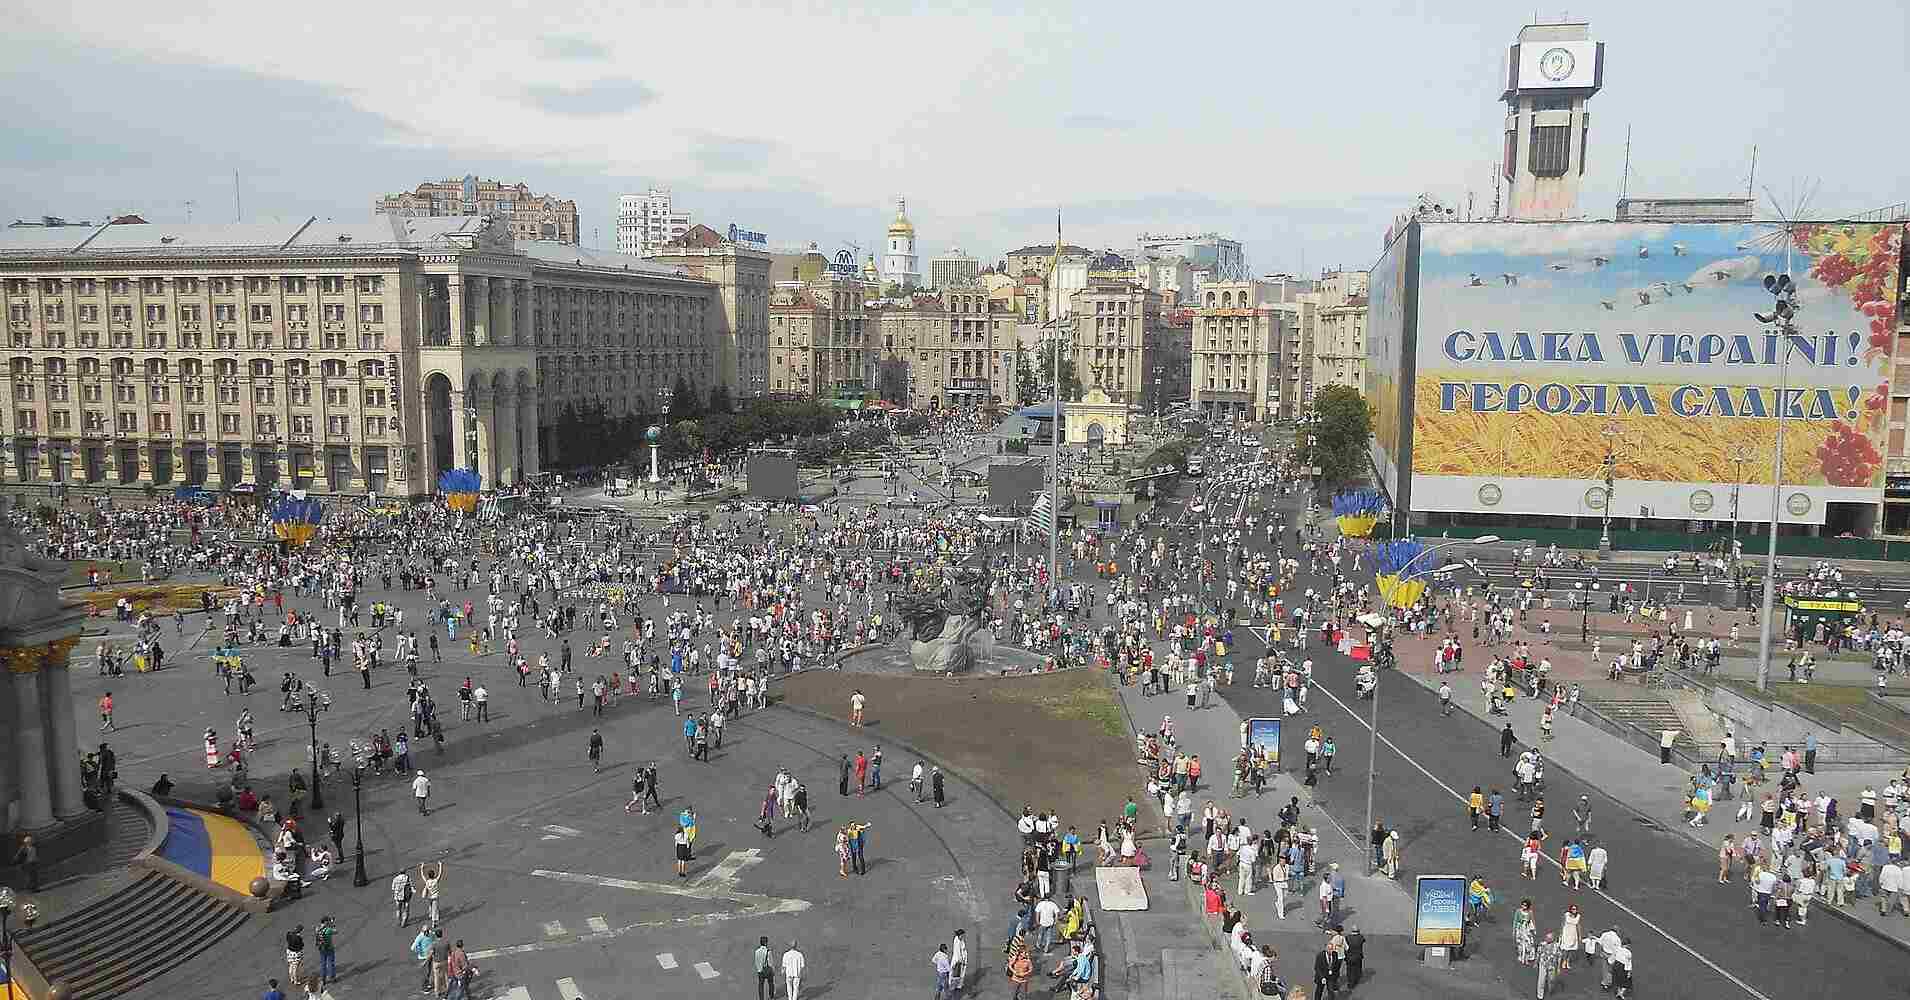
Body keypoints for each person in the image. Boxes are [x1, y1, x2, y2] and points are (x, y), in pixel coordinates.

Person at [755, 935, 776, 1000]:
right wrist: (773, 970)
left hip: (760, 971)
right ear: (766, 943)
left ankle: (761, 998)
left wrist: (759, 969)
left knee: (761, 985)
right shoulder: (768, 951)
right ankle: (771, 996)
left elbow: (756, 961)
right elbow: (770, 962)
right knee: (771, 983)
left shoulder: (757, 951)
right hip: (767, 970)